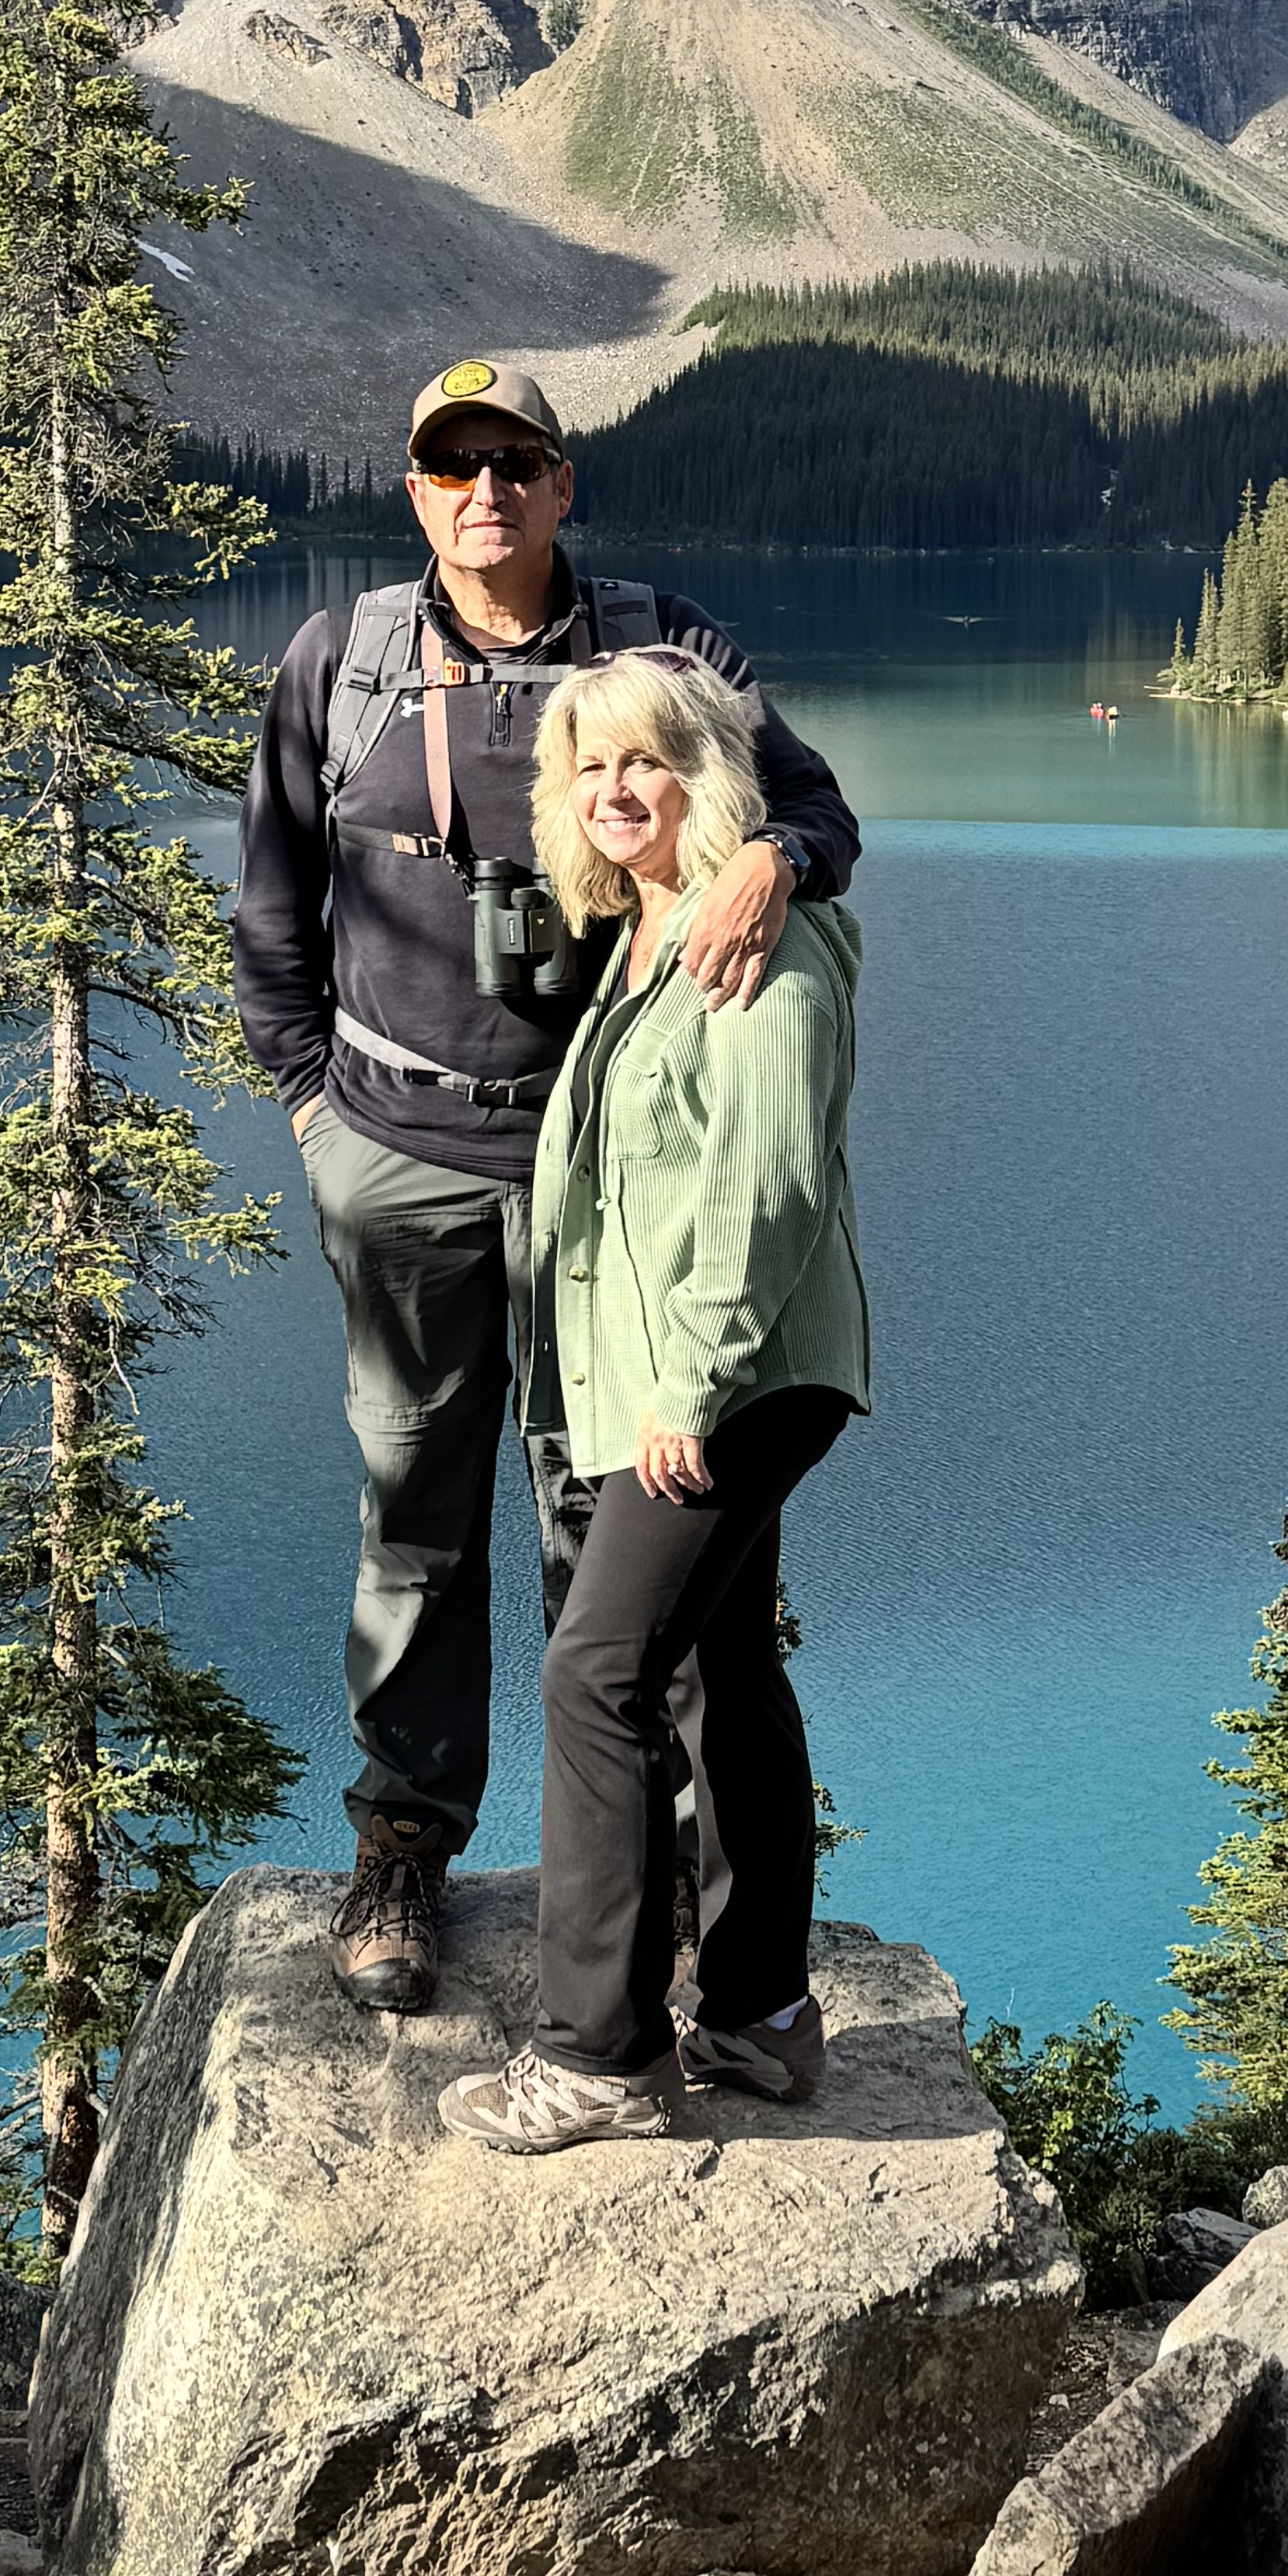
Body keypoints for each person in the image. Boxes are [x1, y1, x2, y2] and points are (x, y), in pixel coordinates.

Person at [231, 359, 861, 2016]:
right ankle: (405, 1849)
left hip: (613, 1188)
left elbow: (818, 810)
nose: (486, 493)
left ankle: (642, 1891)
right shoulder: (341, 661)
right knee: (413, 1515)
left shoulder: (665, 652)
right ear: (416, 491)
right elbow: (272, 904)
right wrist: (311, 1105)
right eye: (454, 467)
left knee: (630, 1529)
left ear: (564, 484)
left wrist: (768, 871)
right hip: (401, 1153)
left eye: (517, 462)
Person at [440, 646, 869, 2152]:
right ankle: (757, 2017)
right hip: (697, 1375)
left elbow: (769, 1187)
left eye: (649, 761)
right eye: (590, 767)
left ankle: (600, 2058)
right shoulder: (647, 932)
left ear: (711, 777)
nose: (618, 790)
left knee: (595, 1674)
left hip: (729, 1377)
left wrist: (682, 1390)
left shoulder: (761, 943)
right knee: (719, 1667)